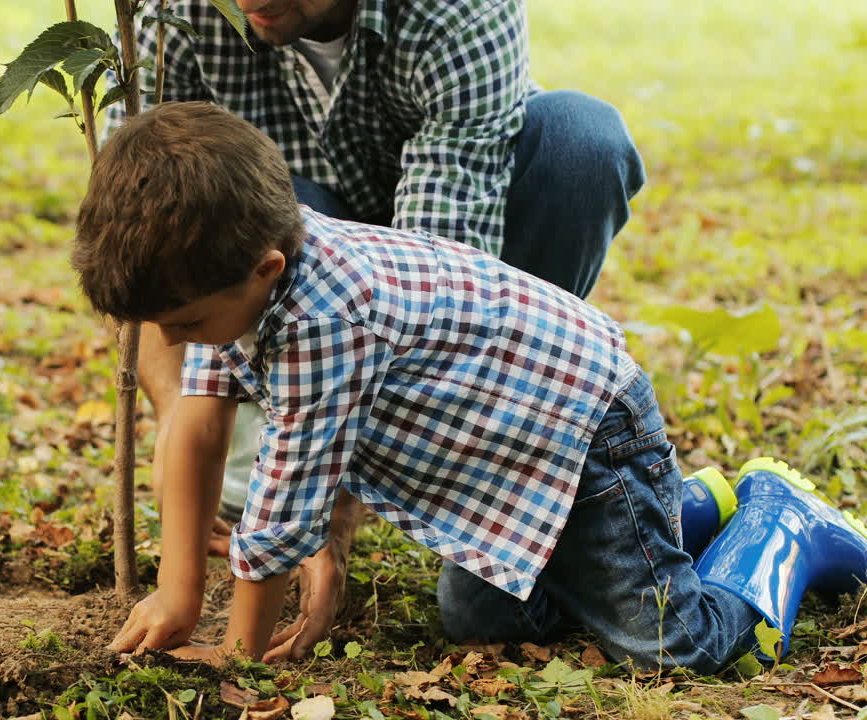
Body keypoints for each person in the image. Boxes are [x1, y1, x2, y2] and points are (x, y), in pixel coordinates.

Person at [79, 102, 867, 672]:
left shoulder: (326, 315)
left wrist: (239, 656)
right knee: (480, 616)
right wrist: (179, 595)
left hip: (580, 429)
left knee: (671, 645)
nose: (173, 343)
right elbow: (197, 421)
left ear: (265, 271)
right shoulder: (242, 288)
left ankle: (780, 523)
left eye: (181, 324)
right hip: (504, 467)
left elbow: (286, 509)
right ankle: (684, 510)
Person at [110, 0, 648, 658]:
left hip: (422, 288)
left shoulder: (458, 12)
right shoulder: (172, 13)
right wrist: (177, 436)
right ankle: (655, 510)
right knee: (485, 613)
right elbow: (146, 244)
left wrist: (321, 517)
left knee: (580, 142)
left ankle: (572, 470)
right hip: (287, 241)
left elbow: (426, 287)